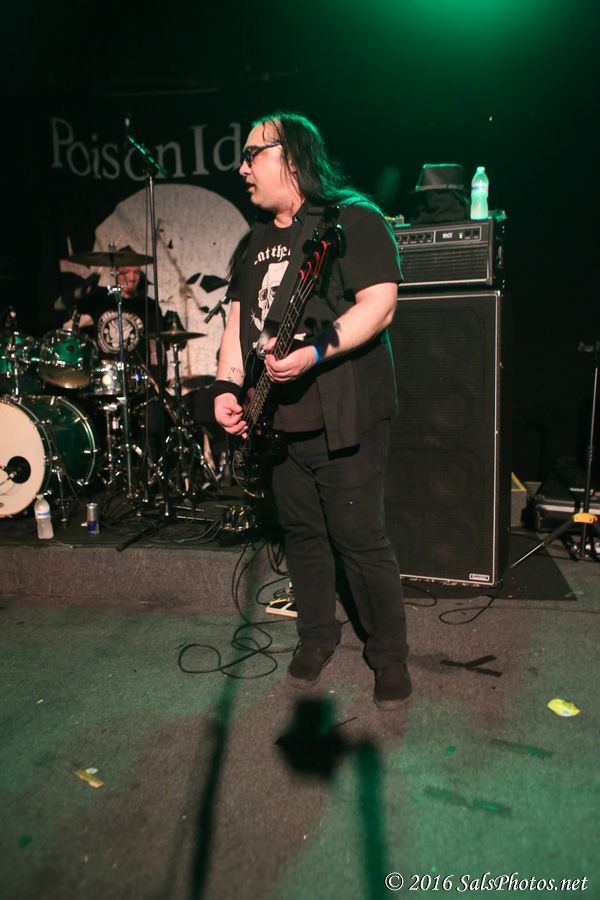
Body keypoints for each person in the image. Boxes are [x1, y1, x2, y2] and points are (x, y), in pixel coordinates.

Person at [213, 112, 411, 710]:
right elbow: (237, 322)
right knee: (301, 534)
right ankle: (317, 635)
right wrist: (226, 388)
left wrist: (312, 353)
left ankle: (389, 655)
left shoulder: (350, 219)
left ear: (292, 157)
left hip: (343, 413)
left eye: (252, 154)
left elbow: (380, 304)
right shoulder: (253, 241)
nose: (242, 167)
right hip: (277, 420)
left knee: (358, 537)